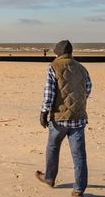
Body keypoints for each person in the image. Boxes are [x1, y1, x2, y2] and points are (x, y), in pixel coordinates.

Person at [36, 40, 92, 197]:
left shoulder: (53, 66)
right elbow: (88, 88)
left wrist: (44, 112)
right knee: (79, 154)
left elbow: (50, 91)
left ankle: (49, 178)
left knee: (53, 147)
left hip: (60, 118)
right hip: (78, 117)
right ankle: (79, 189)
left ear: (58, 53)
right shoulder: (82, 68)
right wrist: (78, 104)